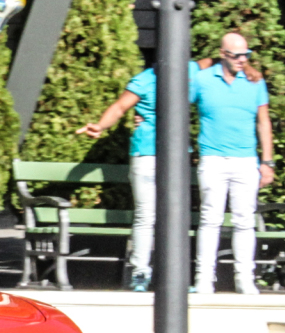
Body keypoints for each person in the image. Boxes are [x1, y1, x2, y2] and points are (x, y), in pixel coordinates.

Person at [77, 58, 242, 291]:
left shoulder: (188, 69)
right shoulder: (145, 79)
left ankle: (173, 275)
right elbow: (120, 107)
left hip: (176, 158)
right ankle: (141, 273)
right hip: (148, 156)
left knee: (174, 217)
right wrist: (101, 126)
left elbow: (213, 60)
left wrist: (234, 61)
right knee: (147, 215)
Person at [190, 32, 275, 295]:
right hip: (213, 158)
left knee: (244, 220)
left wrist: (268, 161)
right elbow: (176, 108)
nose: (242, 59)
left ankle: (245, 278)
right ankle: (204, 278)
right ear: (223, 54)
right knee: (210, 219)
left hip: (246, 160)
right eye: (237, 55)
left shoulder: (254, 82)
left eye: (246, 55)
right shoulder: (202, 79)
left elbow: (264, 122)